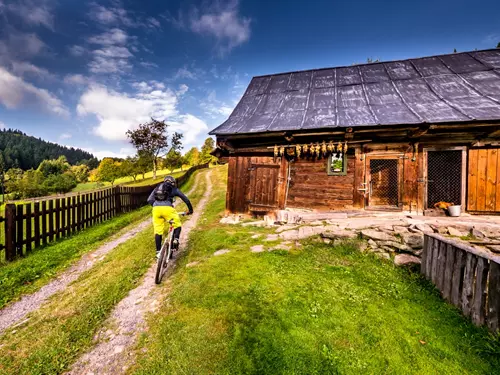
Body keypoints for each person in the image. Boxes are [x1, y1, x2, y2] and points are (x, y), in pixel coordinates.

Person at [147, 175, 193, 259]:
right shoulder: (173, 188)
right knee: (177, 224)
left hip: (156, 209)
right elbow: (185, 199)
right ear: (173, 182)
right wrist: (190, 210)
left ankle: (158, 252)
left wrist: (156, 205)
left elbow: (149, 200)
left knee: (158, 231)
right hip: (168, 209)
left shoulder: (158, 187)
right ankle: (176, 239)